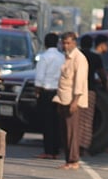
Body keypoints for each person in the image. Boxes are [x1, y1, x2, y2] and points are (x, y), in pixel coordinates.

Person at [54, 31, 89, 170]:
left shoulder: (79, 58)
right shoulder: (66, 58)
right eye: (64, 43)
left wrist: (75, 101)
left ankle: (74, 160)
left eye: (68, 43)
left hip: (72, 100)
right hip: (63, 98)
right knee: (65, 131)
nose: (66, 46)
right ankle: (69, 159)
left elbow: (79, 82)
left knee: (72, 132)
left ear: (74, 43)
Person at [34, 33, 65, 159]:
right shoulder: (62, 57)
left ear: (45, 43)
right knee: (57, 122)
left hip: (46, 92)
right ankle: (56, 150)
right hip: (59, 92)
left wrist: (37, 92)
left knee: (47, 123)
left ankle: (48, 151)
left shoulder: (44, 57)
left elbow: (39, 77)